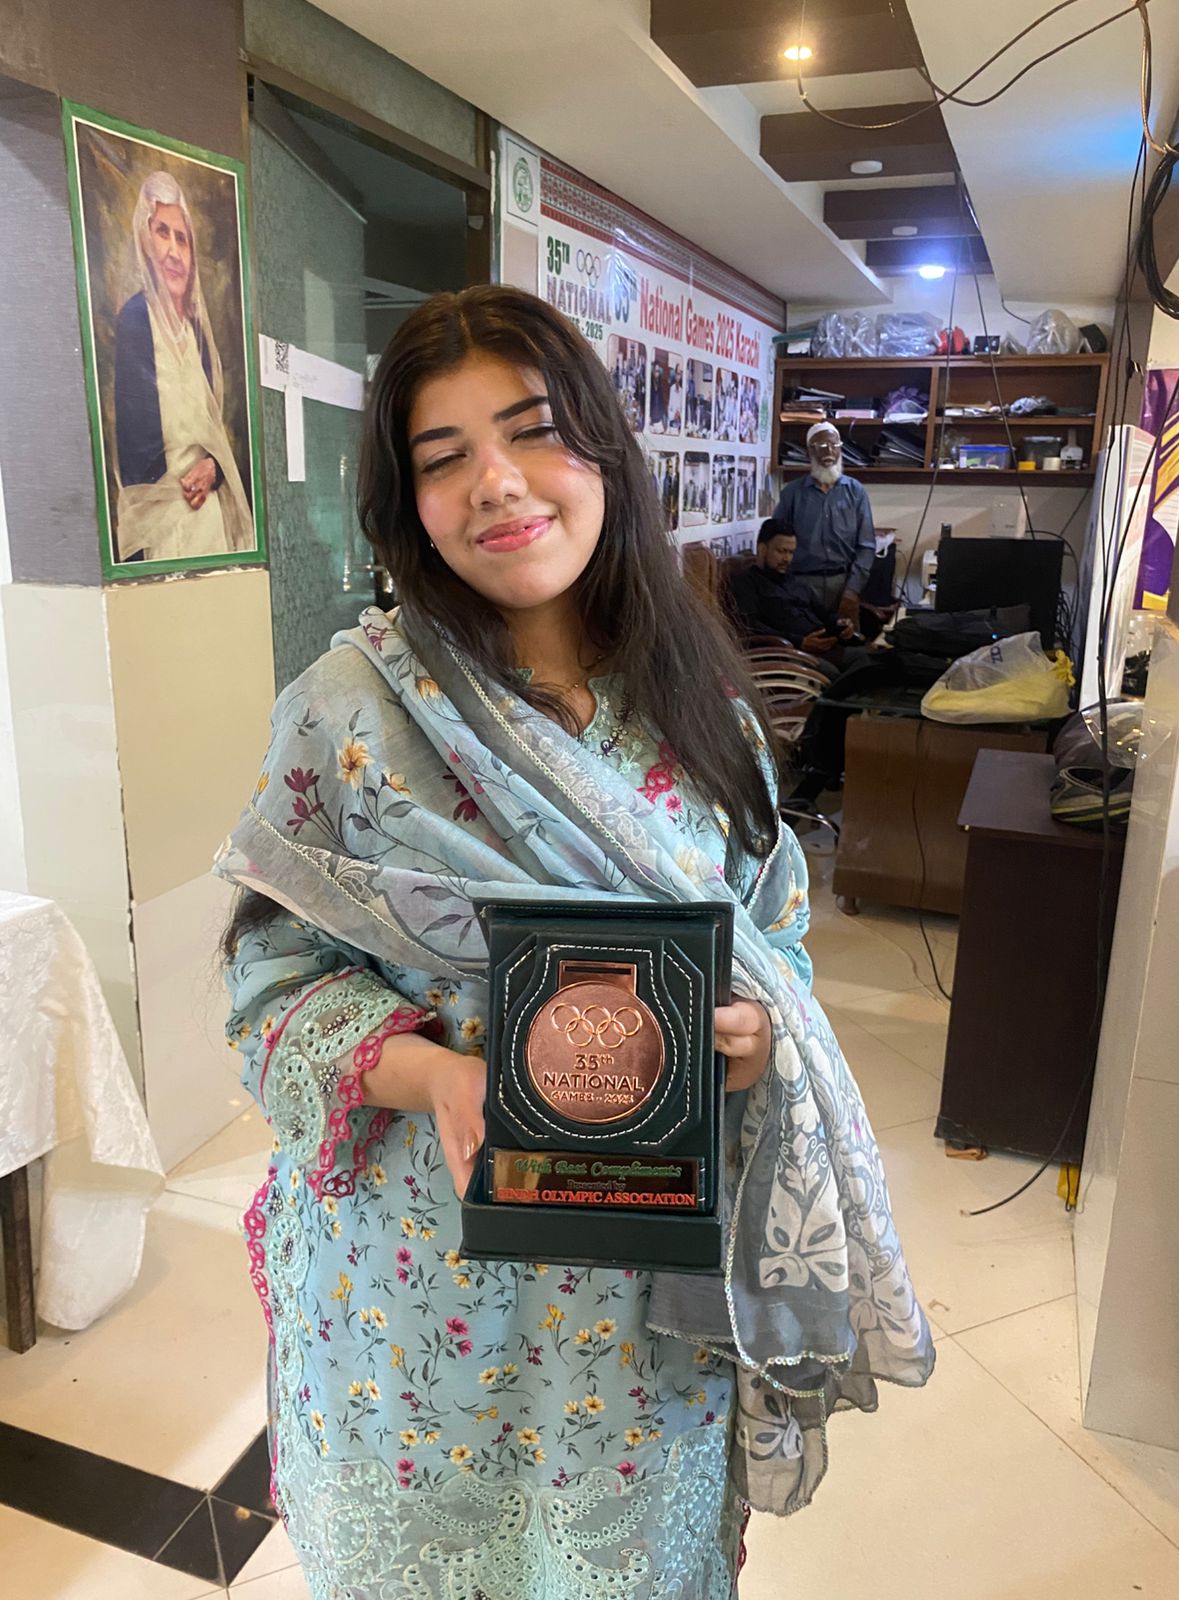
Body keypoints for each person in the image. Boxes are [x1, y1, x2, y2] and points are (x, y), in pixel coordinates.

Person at [216, 285, 933, 1600]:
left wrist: (752, 1030)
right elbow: (265, 989)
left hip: (639, 1315)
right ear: (408, 503)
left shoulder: (701, 706)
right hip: (418, 1299)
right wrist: (436, 1076)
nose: (496, 483)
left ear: (605, 450)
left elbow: (775, 941)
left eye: (533, 432)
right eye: (444, 458)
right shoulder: (350, 713)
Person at [113, 170, 254, 562]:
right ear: (145, 240)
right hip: (161, 529)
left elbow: (216, 441)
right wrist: (182, 490)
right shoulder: (136, 321)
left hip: (210, 524)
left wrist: (213, 469)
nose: (174, 252)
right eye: (163, 233)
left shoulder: (197, 334)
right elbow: (137, 454)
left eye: (182, 238)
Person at [772, 421, 875, 632]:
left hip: (844, 585)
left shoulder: (855, 491)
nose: (829, 451)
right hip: (802, 585)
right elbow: (777, 541)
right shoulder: (792, 493)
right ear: (810, 451)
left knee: (846, 642)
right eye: (821, 446)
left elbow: (866, 546)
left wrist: (852, 590)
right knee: (810, 640)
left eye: (834, 446)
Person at [729, 520, 864, 668]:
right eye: (781, 551)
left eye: (791, 552)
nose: (787, 559)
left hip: (828, 645)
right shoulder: (745, 582)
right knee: (859, 667)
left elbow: (825, 613)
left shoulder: (795, 581)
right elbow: (749, 626)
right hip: (793, 654)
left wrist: (841, 624)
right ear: (762, 549)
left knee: (873, 659)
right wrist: (799, 642)